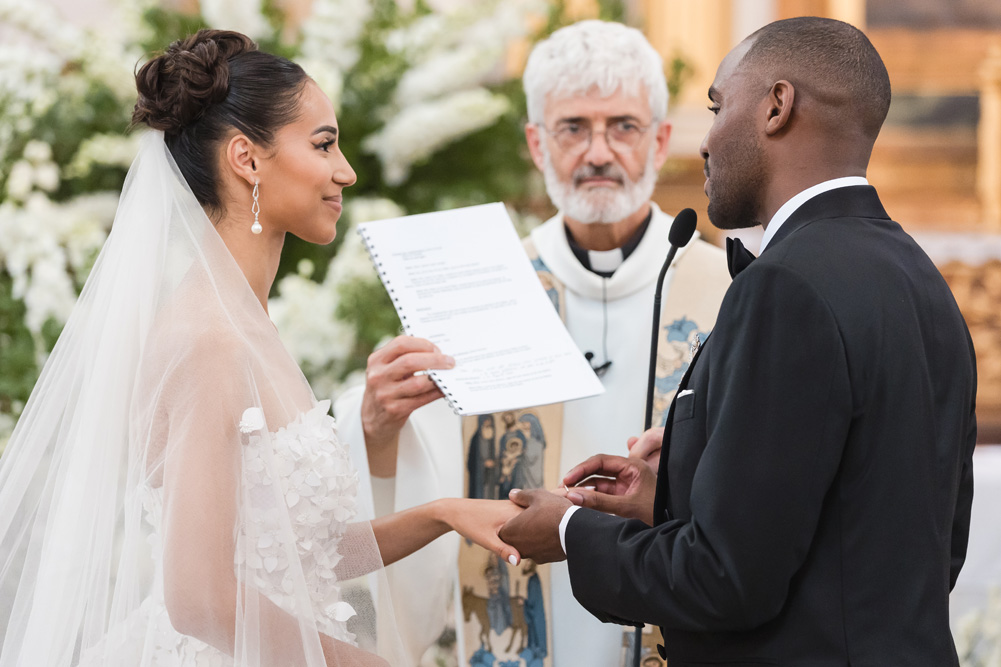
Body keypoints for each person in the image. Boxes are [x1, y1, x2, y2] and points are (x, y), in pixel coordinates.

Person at [0, 30, 524, 667]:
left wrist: (442, 513)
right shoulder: (209, 339)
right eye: (324, 144)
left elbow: (300, 550)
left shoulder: (245, 320)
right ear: (247, 159)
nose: (346, 172)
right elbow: (197, 598)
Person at [498, 16, 978, 665]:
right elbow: (924, 545)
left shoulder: (784, 286)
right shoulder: (918, 275)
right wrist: (673, 492)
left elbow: (724, 581)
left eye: (717, 105)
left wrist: (567, 528)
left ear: (776, 106)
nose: (704, 142)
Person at [334, 19, 733, 666]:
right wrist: (377, 426)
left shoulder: (724, 288)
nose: (598, 152)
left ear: (660, 141)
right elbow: (426, 471)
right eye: (572, 127)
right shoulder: (480, 286)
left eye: (623, 126)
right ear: (535, 144)